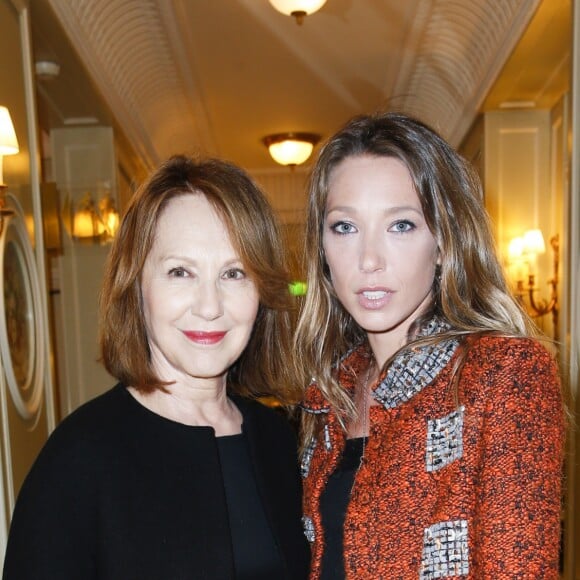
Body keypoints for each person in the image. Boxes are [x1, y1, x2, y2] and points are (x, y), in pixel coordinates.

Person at [3, 155, 310, 579]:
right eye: (180, 272)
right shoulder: (79, 459)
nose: (209, 306)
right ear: (136, 286)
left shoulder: (278, 440)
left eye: (234, 273)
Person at [295, 112, 564, 579]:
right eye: (344, 227)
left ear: (442, 242)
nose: (369, 260)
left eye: (401, 225)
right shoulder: (326, 399)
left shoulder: (503, 373)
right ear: (322, 248)